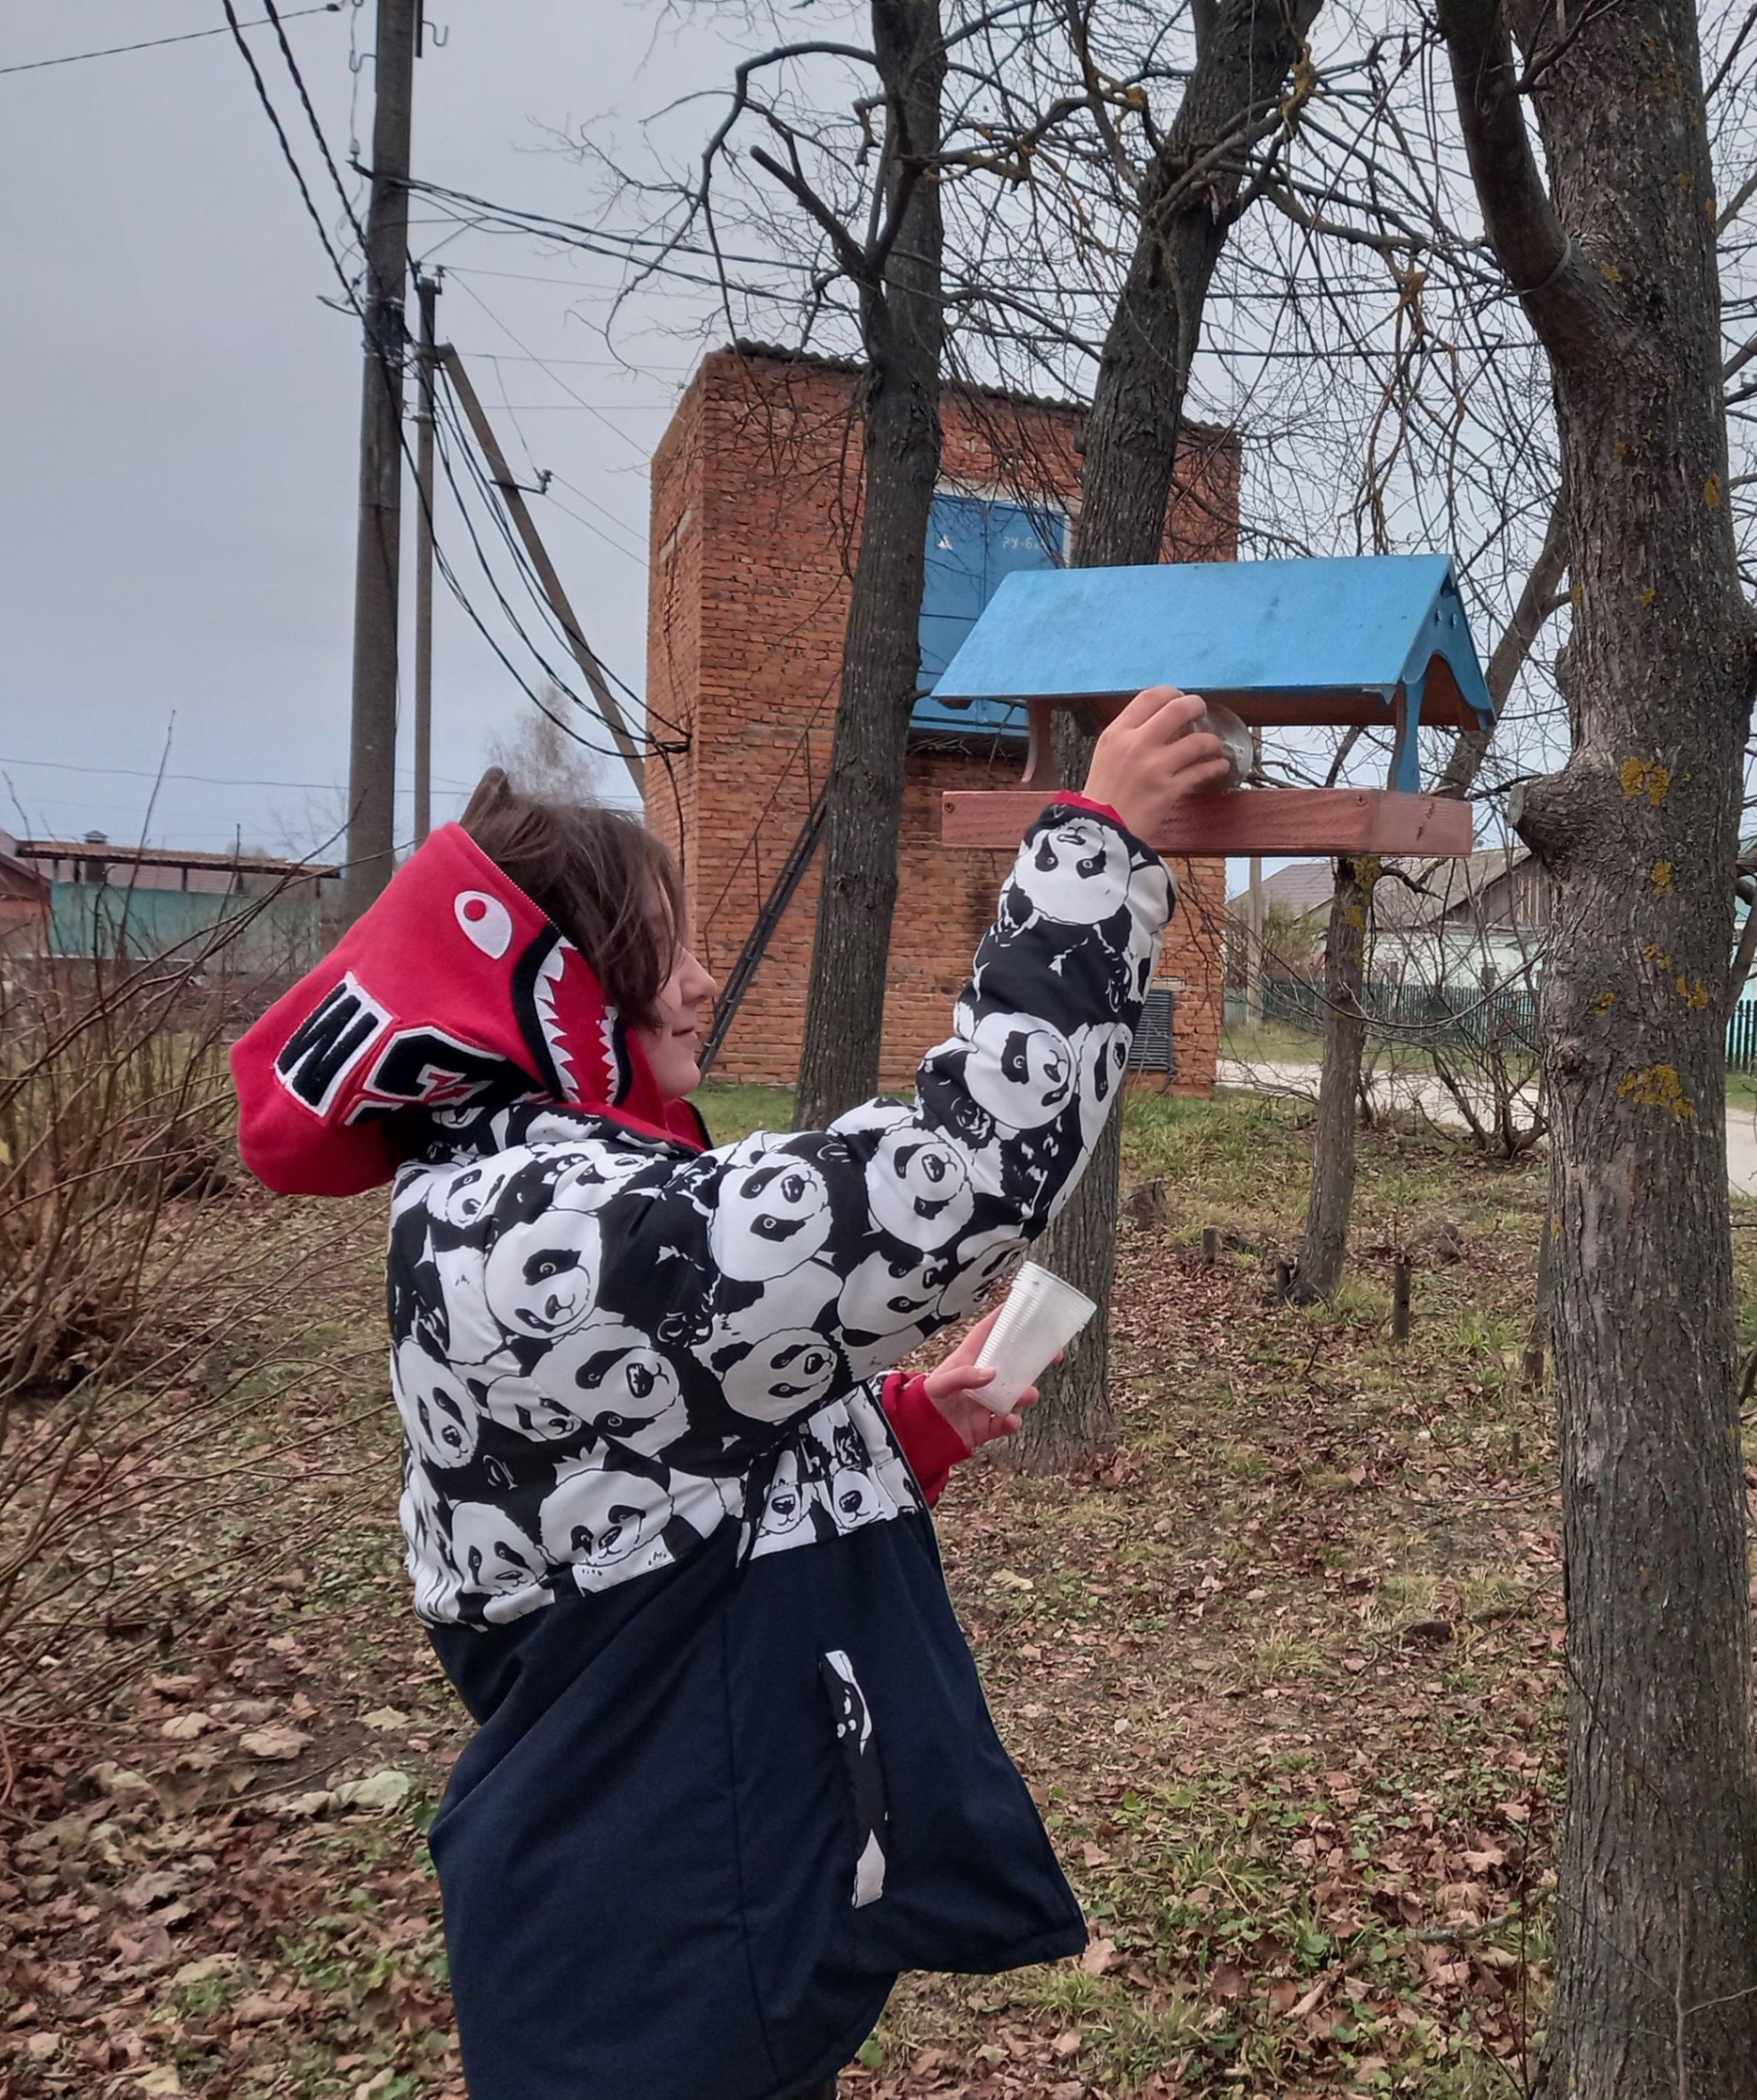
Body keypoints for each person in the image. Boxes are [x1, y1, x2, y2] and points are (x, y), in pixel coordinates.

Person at [231, 687, 1232, 2100]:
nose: (702, 980)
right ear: (564, 987)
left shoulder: (501, 1204)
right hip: (650, 1989)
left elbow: (617, 1499)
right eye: (668, 949)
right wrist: (1095, 845)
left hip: (671, 1934)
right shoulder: (547, 1230)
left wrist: (902, 1429)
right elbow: (957, 1181)